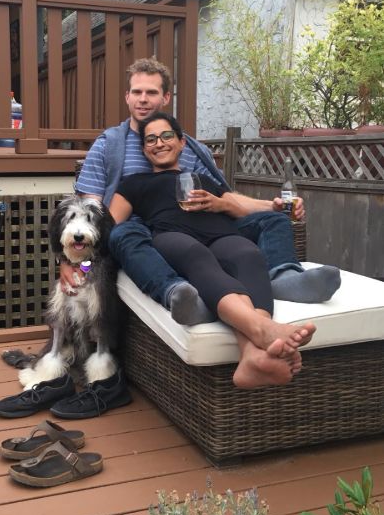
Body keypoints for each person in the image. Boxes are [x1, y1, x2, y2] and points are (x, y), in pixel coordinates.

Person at [66, 57, 340, 325]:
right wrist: (74, 262)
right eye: (137, 92)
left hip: (205, 223)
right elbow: (90, 214)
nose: (143, 99)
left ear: (166, 98)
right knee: (123, 232)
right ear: (127, 97)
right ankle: (175, 290)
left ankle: (282, 278)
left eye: (151, 92)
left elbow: (225, 198)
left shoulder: (193, 150)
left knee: (273, 219)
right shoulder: (108, 146)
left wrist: (273, 205)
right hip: (145, 228)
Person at [109, 112, 316, 388]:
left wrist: (267, 205)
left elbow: (238, 206)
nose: (159, 143)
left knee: (248, 254)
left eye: (166, 136)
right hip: (172, 236)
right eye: (151, 139)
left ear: (181, 142)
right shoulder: (134, 183)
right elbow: (109, 224)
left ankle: (252, 356)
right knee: (197, 255)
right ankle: (263, 330)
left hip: (219, 232)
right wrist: (81, 264)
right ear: (145, 149)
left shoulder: (202, 179)